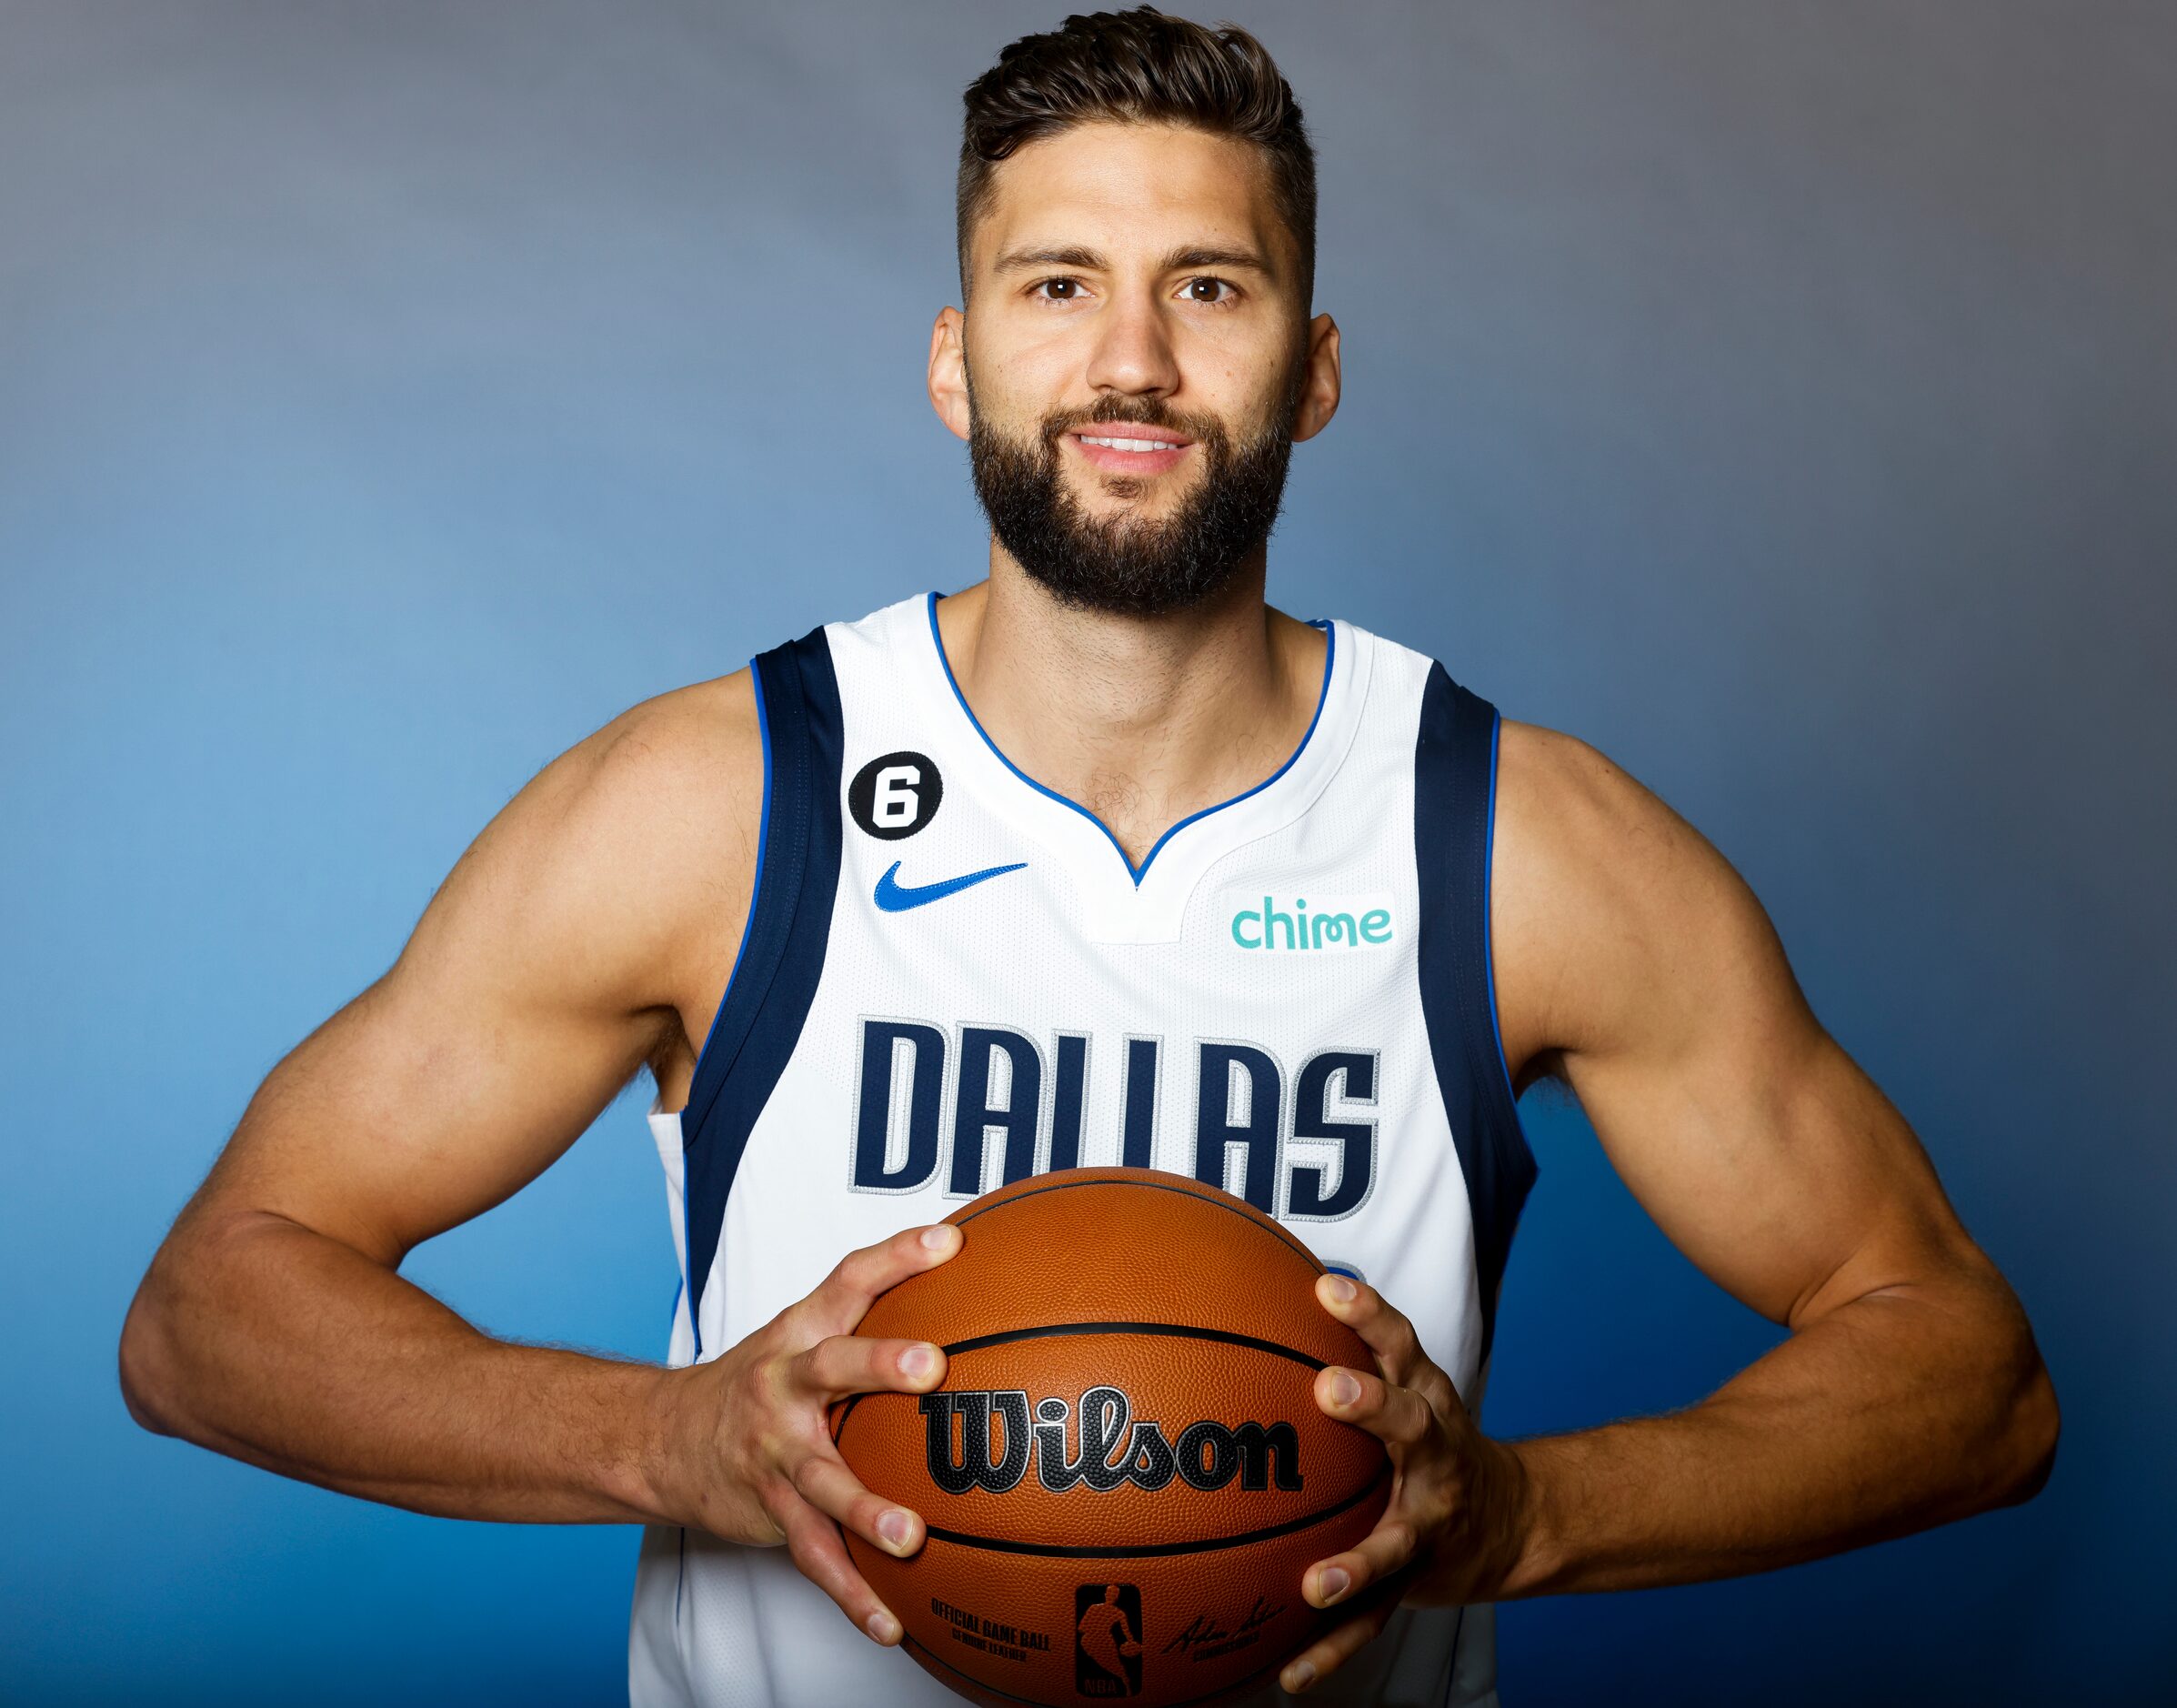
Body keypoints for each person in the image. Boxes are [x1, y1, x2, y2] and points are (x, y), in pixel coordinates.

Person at [118, 8, 2057, 1706]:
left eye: (1210, 286)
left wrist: (1533, 1513)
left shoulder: (1511, 845)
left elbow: (1971, 1373)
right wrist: (675, 1439)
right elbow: (213, 1311)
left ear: (1311, 366)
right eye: (1059, 284)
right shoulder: (723, 807)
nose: (1131, 359)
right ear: (959, 361)